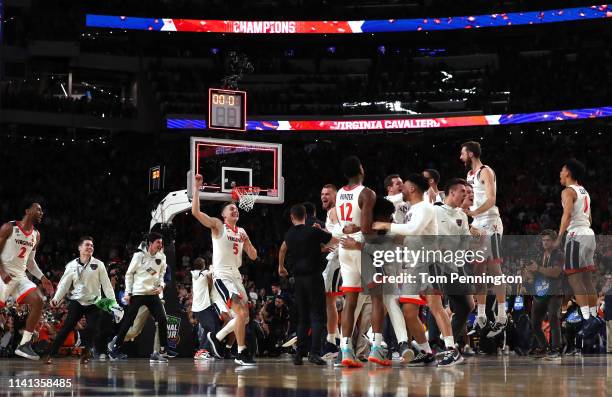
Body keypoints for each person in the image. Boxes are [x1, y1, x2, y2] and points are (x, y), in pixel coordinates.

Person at [191, 174, 258, 366]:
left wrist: (248, 242)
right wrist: (197, 188)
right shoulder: (218, 226)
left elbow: (253, 256)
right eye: (231, 208)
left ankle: (217, 338)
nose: (235, 210)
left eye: (236, 208)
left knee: (244, 318)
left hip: (236, 275)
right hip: (222, 274)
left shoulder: (242, 231)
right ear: (224, 215)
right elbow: (196, 212)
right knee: (238, 312)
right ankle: (241, 353)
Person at [373, 173, 437, 366]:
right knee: (409, 312)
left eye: (404, 185)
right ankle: (426, 351)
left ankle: (450, 347)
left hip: (424, 263)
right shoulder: (412, 209)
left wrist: (387, 225)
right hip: (411, 264)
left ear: (412, 188)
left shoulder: (425, 206)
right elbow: (405, 237)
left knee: (437, 308)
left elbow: (413, 229)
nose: (402, 189)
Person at [279, 204, 337, 365]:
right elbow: (334, 239)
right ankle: (314, 353)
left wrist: (280, 266)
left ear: (292, 217)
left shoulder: (289, 234)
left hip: (298, 280)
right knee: (318, 317)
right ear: (305, 216)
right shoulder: (313, 231)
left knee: (303, 318)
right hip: (314, 277)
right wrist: (322, 231)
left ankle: (299, 354)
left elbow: (283, 249)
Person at [460, 141, 507, 337]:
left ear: (471, 154)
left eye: (462, 153)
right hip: (477, 224)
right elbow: (470, 200)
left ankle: (502, 316)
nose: (460, 157)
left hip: (491, 222)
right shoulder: (469, 175)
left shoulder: (485, 171)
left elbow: (491, 199)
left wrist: (473, 213)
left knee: (494, 268)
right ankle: (481, 317)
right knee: (478, 269)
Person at [43, 236, 115, 364]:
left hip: (94, 302)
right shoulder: (71, 265)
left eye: (92, 245)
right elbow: (64, 285)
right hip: (77, 301)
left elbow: (107, 285)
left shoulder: (99, 264)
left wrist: (113, 303)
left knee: (92, 328)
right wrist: (56, 298)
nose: (90, 247)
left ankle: (87, 352)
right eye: (87, 245)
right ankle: (50, 354)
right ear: (79, 248)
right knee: (66, 328)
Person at [334, 156, 376, 368]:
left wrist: (349, 229)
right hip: (361, 246)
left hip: (344, 246)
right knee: (379, 298)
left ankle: (346, 351)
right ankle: (378, 347)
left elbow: (343, 224)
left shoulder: (340, 193)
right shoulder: (367, 193)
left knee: (350, 302)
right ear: (360, 169)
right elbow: (367, 229)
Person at [0, 200, 54, 360]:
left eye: (42, 211)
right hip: (2, 273)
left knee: (38, 300)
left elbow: (30, 262)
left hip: (20, 277)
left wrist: (43, 277)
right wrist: (2, 271)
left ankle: (24, 345)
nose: (41, 213)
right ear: (27, 211)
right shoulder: (9, 227)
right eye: (38, 210)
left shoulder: (36, 235)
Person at [108, 232, 169, 362]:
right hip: (138, 293)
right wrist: (128, 293)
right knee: (129, 321)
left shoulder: (162, 257)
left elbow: (161, 275)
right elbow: (129, 274)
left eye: (161, 242)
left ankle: (161, 352)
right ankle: (115, 349)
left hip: (153, 294)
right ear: (150, 243)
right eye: (158, 242)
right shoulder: (138, 256)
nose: (160, 245)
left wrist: (161, 286)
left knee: (162, 319)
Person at [555, 159, 600, 337]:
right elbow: (589, 220)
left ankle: (587, 320)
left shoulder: (567, 191)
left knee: (574, 278)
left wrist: (559, 237)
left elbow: (566, 215)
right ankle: (595, 317)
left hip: (576, 236)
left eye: (561, 170)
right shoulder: (584, 192)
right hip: (589, 234)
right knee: (587, 280)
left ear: (568, 172)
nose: (559, 174)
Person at [525, 229, 564, 360]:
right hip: (540, 291)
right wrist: (529, 274)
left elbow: (556, 272)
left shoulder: (559, 254)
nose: (545, 243)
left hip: (555, 291)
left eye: (548, 240)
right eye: (543, 240)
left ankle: (556, 349)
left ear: (553, 241)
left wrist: (538, 269)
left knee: (553, 317)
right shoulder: (538, 254)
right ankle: (543, 347)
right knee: (534, 322)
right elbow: (529, 271)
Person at [319, 184, 343, 358]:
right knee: (331, 300)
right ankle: (336, 339)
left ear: (335, 196)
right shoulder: (332, 212)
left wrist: (327, 244)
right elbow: (333, 233)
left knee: (330, 300)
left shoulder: (335, 211)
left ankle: (333, 342)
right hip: (338, 258)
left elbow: (340, 234)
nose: (323, 196)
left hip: (339, 259)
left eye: (327, 194)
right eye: (322, 194)